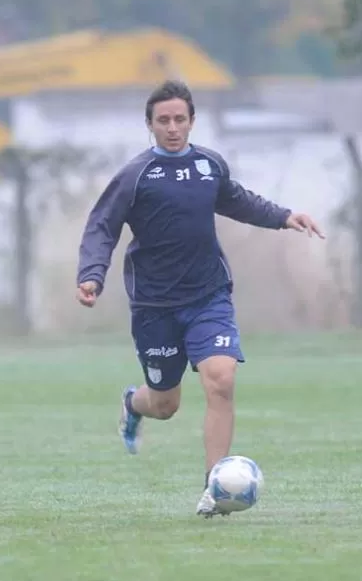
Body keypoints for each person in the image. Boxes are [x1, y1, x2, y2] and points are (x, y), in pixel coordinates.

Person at [76, 80, 324, 518]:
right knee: (165, 404)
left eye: (180, 119)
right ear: (149, 125)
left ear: (192, 121)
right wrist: (92, 275)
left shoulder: (210, 166)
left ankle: (215, 490)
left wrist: (285, 216)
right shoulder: (136, 175)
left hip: (209, 295)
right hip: (155, 305)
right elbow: (102, 226)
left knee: (221, 379)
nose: (172, 128)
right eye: (163, 120)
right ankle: (134, 403)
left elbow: (238, 202)